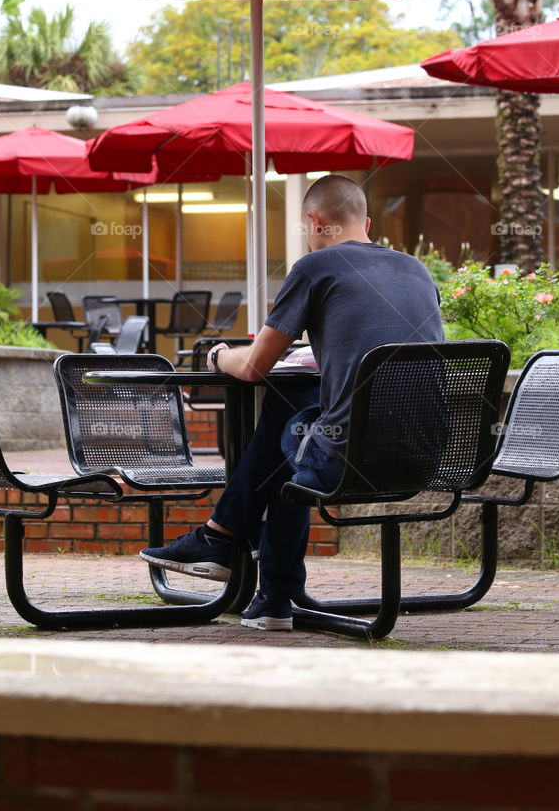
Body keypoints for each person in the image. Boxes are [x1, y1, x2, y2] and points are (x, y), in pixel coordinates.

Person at [139, 173, 444, 631]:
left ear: (314, 222)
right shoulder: (415, 270)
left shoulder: (315, 267)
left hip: (351, 460)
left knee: (292, 426)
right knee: (299, 419)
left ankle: (234, 552)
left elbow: (253, 368)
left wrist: (219, 355)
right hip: (429, 458)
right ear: (368, 222)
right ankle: (252, 577)